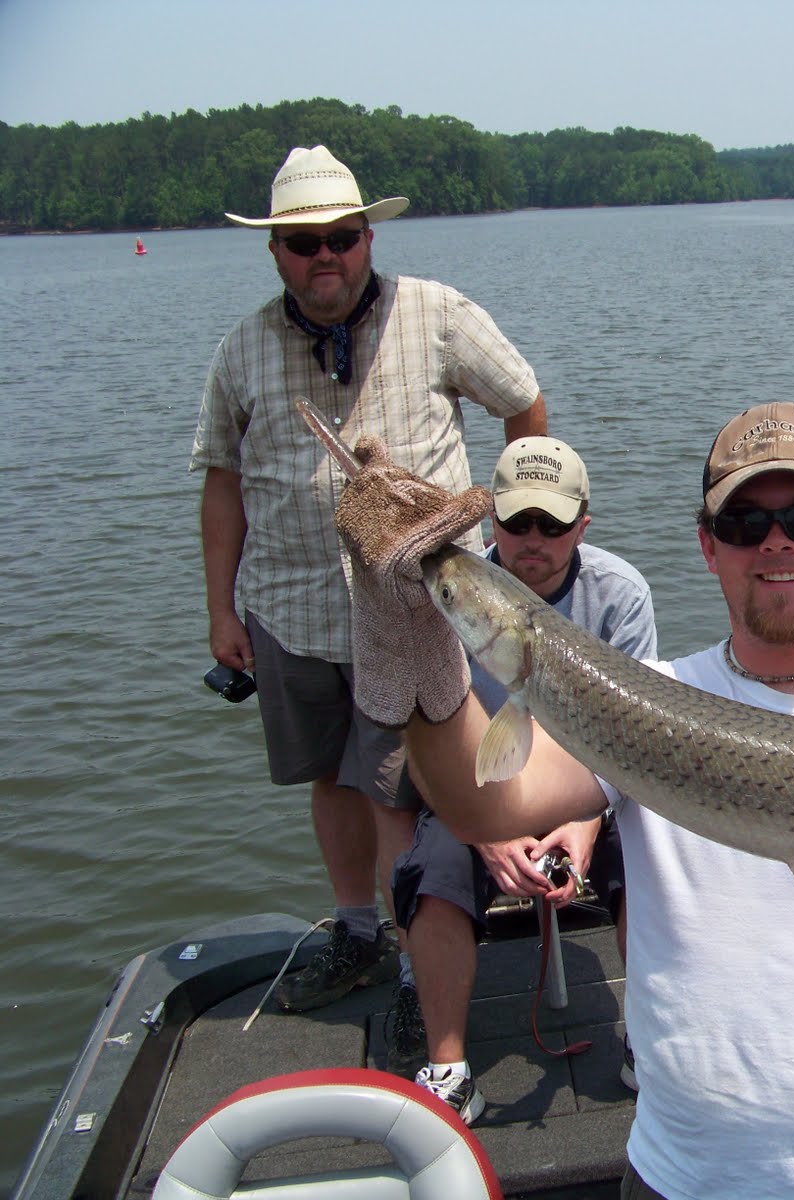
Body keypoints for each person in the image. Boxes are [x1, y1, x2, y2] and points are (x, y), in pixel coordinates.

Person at [334, 402, 794, 1200]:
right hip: (680, 1175)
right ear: (708, 547)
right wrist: (415, 646)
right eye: (743, 523)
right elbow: (482, 807)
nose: (777, 542)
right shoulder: (641, 699)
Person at [190, 144, 547, 1014]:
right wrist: (221, 611)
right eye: (304, 242)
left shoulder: (438, 315)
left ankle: (422, 972)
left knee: (417, 791)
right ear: (275, 251)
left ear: (368, 240)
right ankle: (357, 932)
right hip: (292, 610)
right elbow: (222, 481)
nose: (326, 256)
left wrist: (513, 537)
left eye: (343, 238)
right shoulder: (242, 350)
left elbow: (523, 404)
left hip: (423, 614)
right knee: (333, 779)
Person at [388, 436, 657, 1122]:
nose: (533, 539)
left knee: (656, 854)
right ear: (492, 520)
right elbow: (425, 745)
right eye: (516, 521)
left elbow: (637, 743)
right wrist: (483, 833)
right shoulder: (449, 598)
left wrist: (587, 821)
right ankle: (448, 1069)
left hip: (595, 784)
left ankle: (651, 1042)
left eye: (553, 524)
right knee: (433, 869)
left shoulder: (621, 594)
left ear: (582, 526)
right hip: (477, 793)